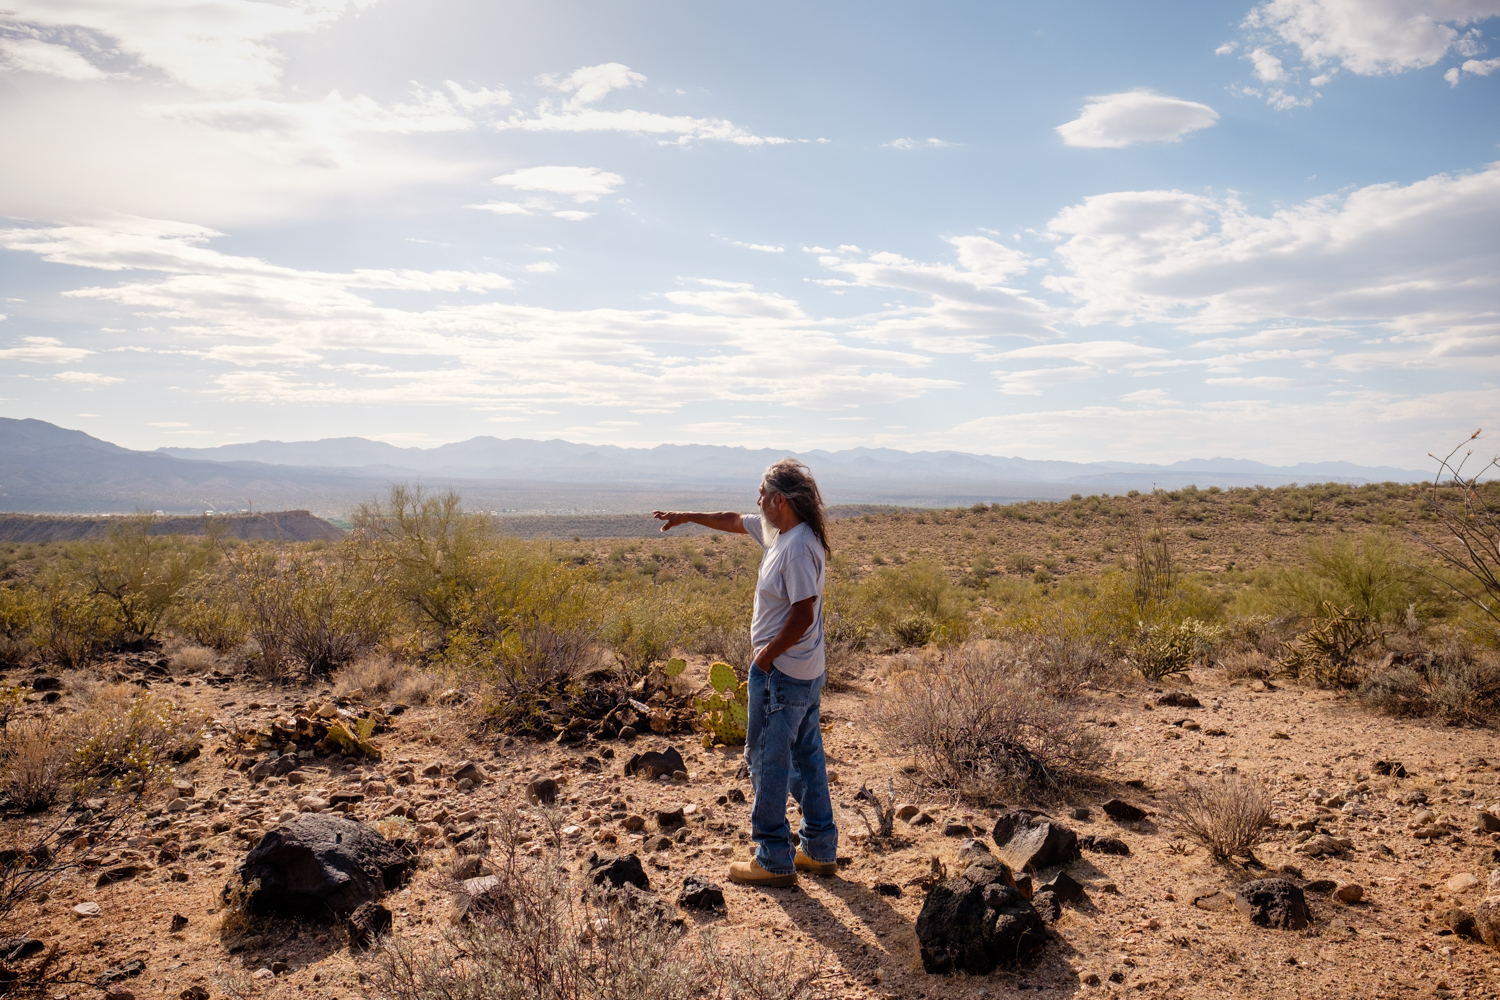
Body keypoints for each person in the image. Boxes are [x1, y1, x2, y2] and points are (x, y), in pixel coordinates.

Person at [652, 458, 837, 887]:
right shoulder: (786, 532)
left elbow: (802, 615)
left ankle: (773, 856)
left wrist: (765, 658)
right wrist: (688, 517)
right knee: (806, 757)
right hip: (806, 671)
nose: (755, 501)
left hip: (783, 673)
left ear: (779, 500)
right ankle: (819, 848)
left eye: (761, 494)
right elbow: (734, 520)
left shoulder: (794, 548)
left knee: (766, 760)